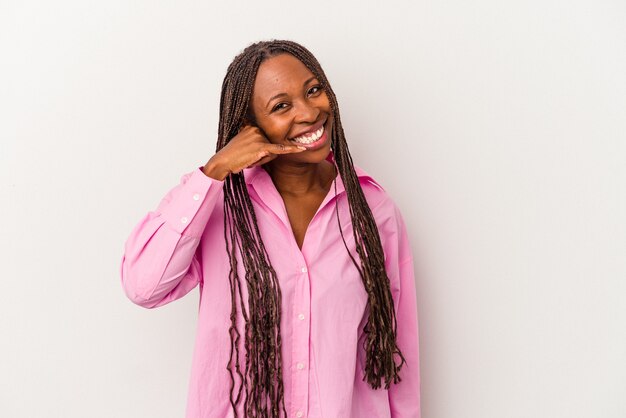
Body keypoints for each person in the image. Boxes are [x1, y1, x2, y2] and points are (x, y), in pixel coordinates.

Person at [120, 39, 420, 418]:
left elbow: (396, 350)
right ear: (251, 127)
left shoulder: (373, 211)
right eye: (281, 106)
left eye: (314, 90)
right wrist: (214, 171)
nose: (310, 112)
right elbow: (144, 285)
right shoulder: (220, 206)